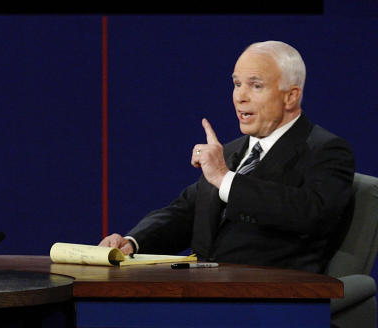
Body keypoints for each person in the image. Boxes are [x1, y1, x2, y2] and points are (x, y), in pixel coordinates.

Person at [99, 40, 354, 273]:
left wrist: (225, 179)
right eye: (237, 84)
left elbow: (311, 214)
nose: (240, 97)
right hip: (205, 290)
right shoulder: (232, 151)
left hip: (270, 299)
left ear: (291, 96)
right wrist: (133, 242)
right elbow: (186, 213)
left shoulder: (326, 150)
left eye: (256, 86)